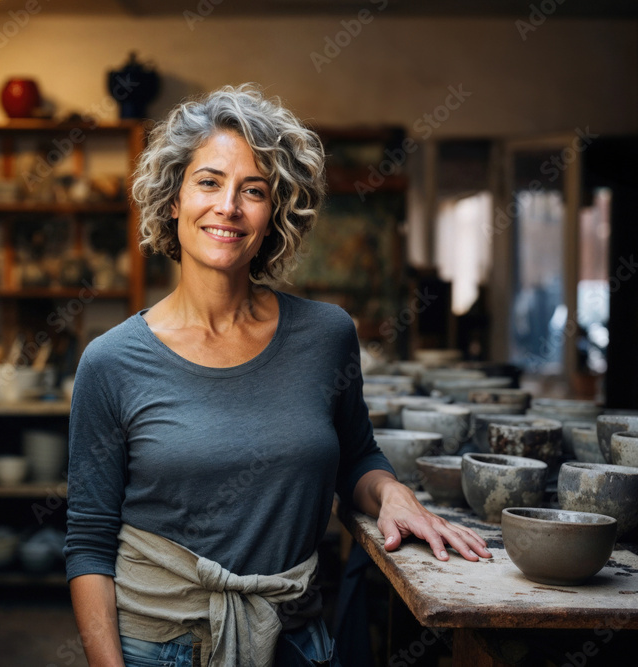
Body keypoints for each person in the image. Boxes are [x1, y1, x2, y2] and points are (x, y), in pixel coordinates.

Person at [63, 84, 491, 667]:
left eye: (254, 190)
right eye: (209, 181)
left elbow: (356, 458)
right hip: (157, 648)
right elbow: (88, 542)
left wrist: (392, 493)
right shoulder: (111, 361)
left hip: (292, 639)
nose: (228, 207)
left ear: (276, 213)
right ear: (173, 200)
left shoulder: (326, 336)